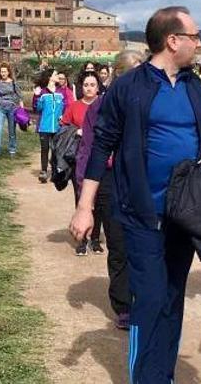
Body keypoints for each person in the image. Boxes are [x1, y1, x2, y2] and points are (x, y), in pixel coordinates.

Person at [70, 6, 201, 383]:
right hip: (141, 213)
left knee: (172, 296)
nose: (199, 42)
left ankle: (163, 374)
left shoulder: (194, 86)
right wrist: (85, 207)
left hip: (184, 213)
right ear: (173, 40)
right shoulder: (129, 87)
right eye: (194, 36)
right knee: (150, 298)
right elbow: (101, 146)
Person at [74, 50, 144, 329]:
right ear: (118, 75)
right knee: (118, 242)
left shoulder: (152, 105)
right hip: (109, 179)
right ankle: (123, 304)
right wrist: (84, 193)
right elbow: (89, 149)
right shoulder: (99, 107)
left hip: (143, 179)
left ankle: (145, 298)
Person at [61, 71, 103, 255]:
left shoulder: (104, 105)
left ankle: (95, 238)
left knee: (99, 199)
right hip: (79, 158)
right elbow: (63, 126)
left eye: (92, 85)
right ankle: (81, 240)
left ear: (98, 87)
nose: (89, 88)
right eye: (86, 85)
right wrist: (75, 131)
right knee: (81, 197)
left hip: (100, 157)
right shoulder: (74, 106)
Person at [32, 69, 65, 183]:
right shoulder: (42, 92)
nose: (58, 76)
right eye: (56, 74)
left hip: (58, 127)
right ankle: (44, 171)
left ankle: (55, 171)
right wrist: (36, 96)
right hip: (44, 126)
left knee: (56, 150)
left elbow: (66, 106)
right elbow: (37, 108)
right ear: (50, 77)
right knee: (45, 149)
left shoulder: (61, 92)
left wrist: (63, 116)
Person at [0, 63, 22, 158]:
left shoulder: (13, 83)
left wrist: (22, 110)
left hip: (12, 108)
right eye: (1, 71)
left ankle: (12, 150)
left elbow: (20, 96)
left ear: (8, 72)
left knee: (12, 131)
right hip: (0, 108)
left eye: (4, 71)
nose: (3, 73)